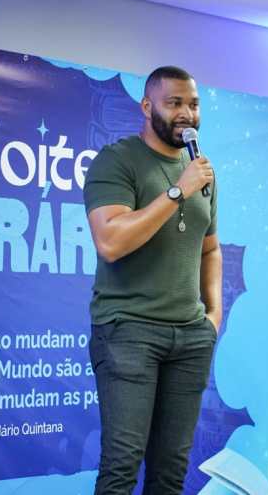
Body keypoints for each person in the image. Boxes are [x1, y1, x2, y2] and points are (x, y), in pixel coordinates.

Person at [83, 65, 223, 495]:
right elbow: (111, 242)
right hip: (129, 332)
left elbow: (210, 249)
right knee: (122, 466)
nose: (187, 114)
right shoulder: (117, 160)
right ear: (147, 106)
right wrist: (178, 191)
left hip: (190, 338)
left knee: (170, 472)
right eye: (174, 103)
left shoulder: (202, 171)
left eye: (193, 104)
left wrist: (214, 316)